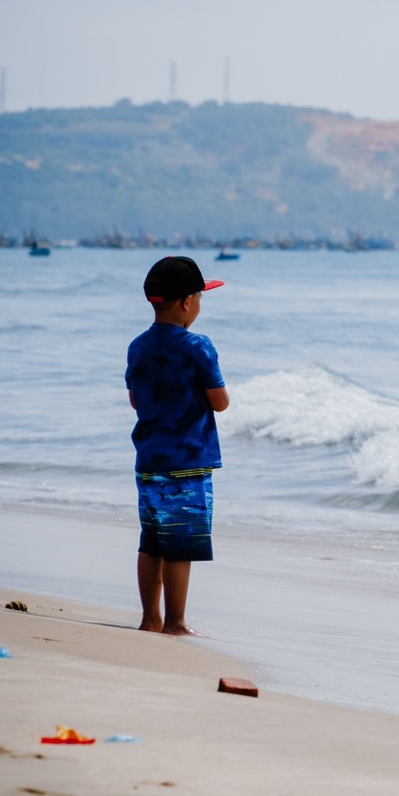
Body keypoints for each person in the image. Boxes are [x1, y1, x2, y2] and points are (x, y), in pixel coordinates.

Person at [125, 256, 229, 635]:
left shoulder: (137, 347)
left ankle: (149, 618)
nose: (199, 305)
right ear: (187, 302)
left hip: (149, 459)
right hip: (187, 461)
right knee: (180, 544)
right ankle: (176, 621)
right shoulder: (198, 346)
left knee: (151, 541)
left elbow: (136, 400)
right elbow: (220, 401)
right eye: (200, 298)